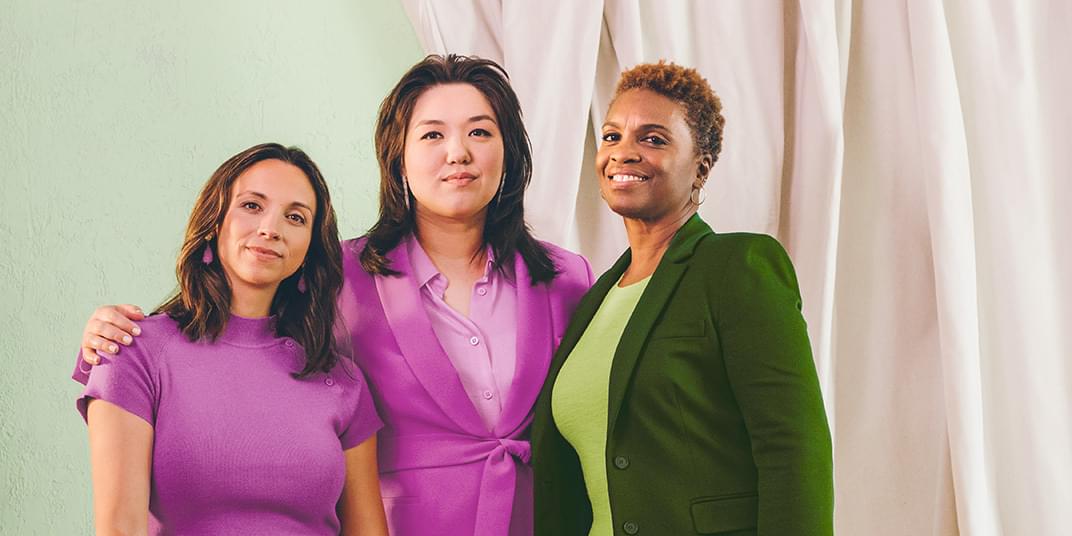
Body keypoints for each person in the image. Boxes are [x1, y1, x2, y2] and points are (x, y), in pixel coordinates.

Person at [77, 55, 594, 536]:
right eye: (432, 134)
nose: (457, 152)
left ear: (509, 151)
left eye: (480, 131)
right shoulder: (335, 274)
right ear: (399, 160)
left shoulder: (569, 279)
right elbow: (235, 341)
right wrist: (111, 337)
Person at [531, 62, 834, 535]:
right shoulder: (594, 301)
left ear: (701, 166)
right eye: (612, 137)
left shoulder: (737, 267)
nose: (624, 153)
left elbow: (793, 448)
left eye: (653, 139)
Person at [73, 143, 387, 535]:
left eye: (295, 217)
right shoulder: (133, 351)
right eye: (252, 206)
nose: (271, 228)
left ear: (309, 249)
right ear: (214, 220)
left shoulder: (342, 381)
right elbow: (120, 529)